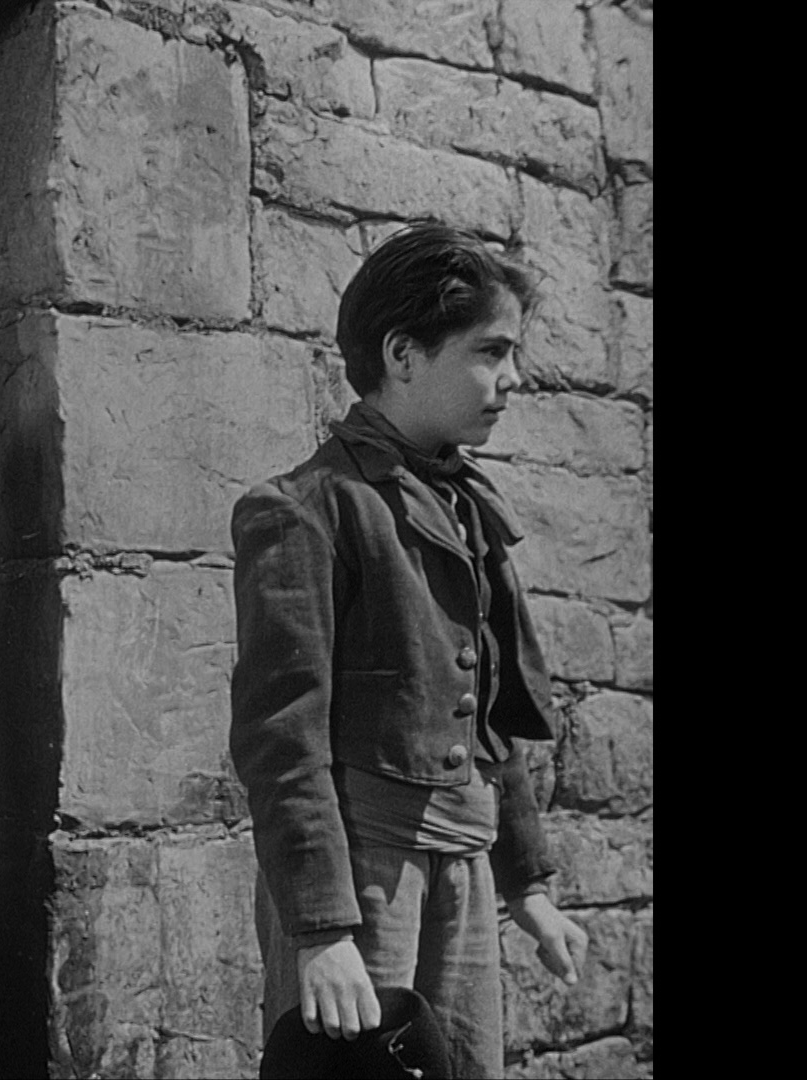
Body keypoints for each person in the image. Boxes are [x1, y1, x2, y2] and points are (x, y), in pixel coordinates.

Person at [229, 223, 590, 1078]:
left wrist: (528, 889)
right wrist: (323, 931)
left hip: (460, 869)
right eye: (490, 351)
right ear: (403, 352)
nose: (511, 380)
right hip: (365, 876)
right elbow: (282, 739)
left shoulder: (466, 506)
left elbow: (487, 722)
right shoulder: (306, 509)